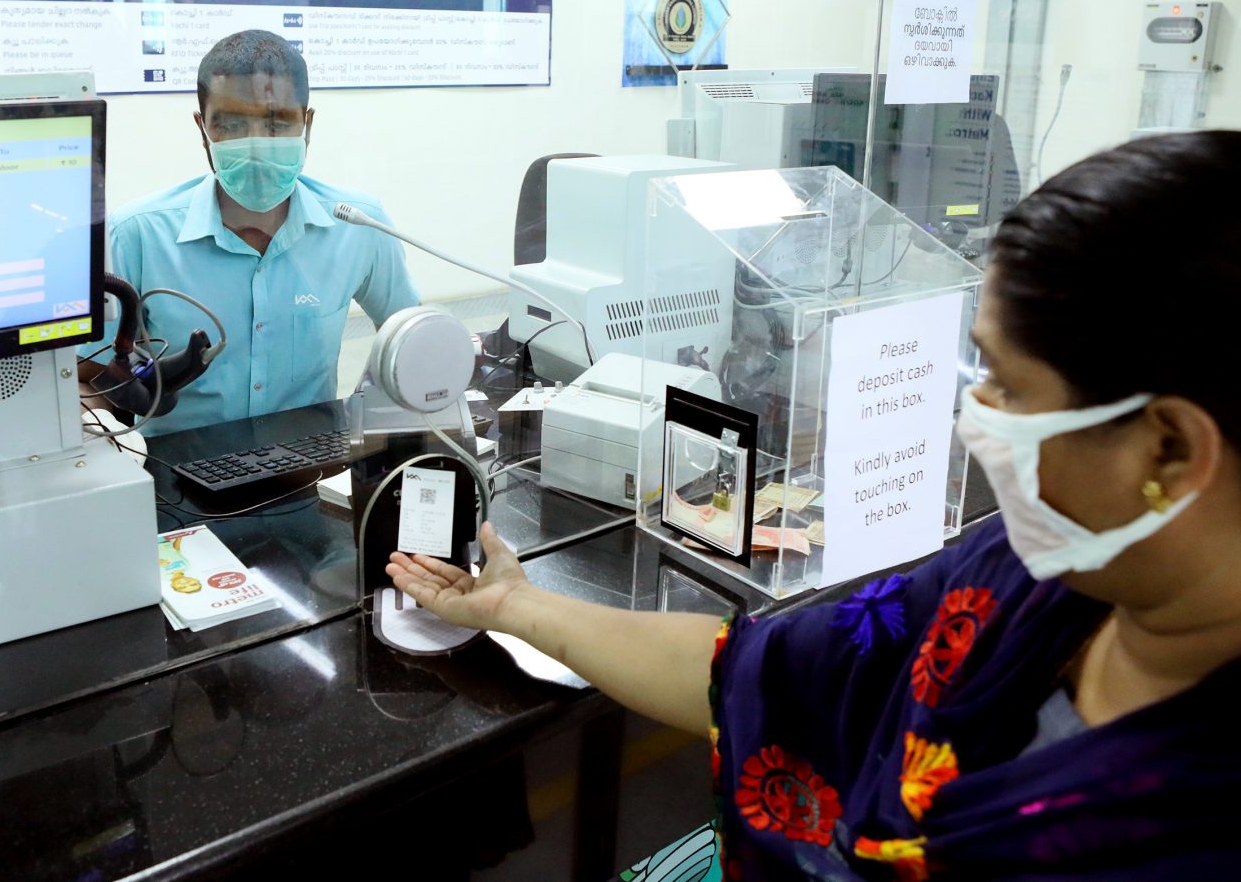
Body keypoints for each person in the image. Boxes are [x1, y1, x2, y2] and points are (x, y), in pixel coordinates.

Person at [389, 131, 1241, 880]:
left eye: (1009, 389)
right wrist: (519, 606)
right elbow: (762, 674)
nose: (971, 419)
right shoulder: (1019, 583)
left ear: (1168, 446)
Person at [95, 30, 420, 433]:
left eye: (276, 123)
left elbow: (413, 344)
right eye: (230, 124)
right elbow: (87, 379)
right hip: (177, 476)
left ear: (308, 124)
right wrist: (122, 392)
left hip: (307, 469)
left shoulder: (358, 226)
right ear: (202, 130)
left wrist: (364, 423)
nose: (255, 145)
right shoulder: (136, 237)